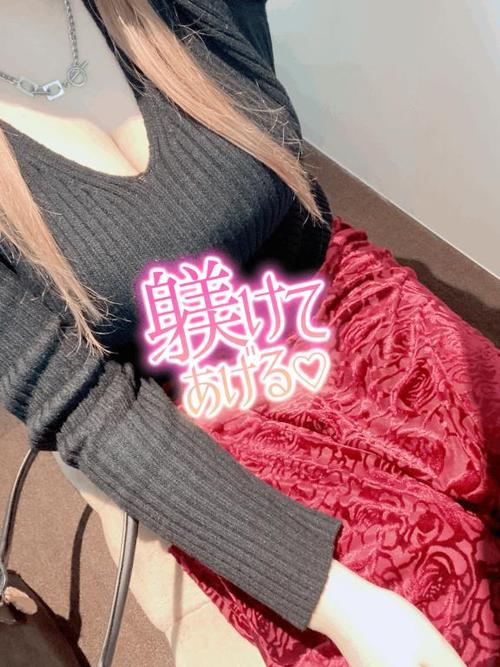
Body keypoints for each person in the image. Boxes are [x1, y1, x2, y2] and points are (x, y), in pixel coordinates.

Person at [0, 1, 497, 665]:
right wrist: (342, 603)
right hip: (181, 401)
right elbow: (86, 407)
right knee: (438, 594)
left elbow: (283, 175)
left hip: (323, 287)